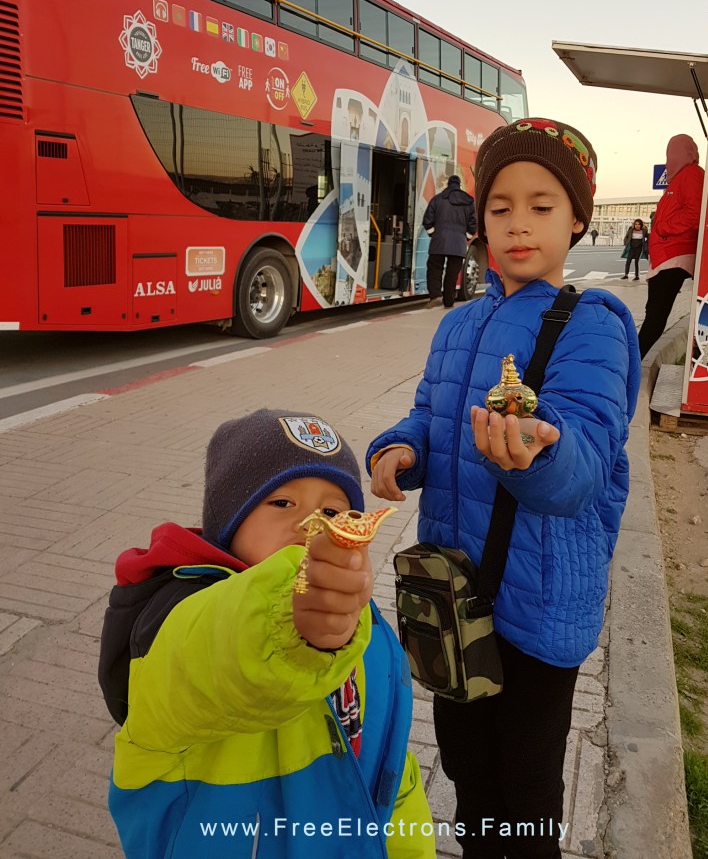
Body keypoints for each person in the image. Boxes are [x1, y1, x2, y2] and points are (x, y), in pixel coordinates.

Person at [367, 119, 641, 859]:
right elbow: (430, 414)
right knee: (465, 767)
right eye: (501, 207)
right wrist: (400, 448)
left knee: (525, 788)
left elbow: (585, 461)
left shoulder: (593, 326)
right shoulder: (456, 326)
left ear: (579, 218)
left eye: (542, 206)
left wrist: (539, 453)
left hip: (537, 610)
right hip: (456, 597)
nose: (519, 224)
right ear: (480, 216)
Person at [100, 409, 434, 859]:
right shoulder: (177, 617)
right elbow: (212, 648)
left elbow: (390, 767)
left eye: (332, 509)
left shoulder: (364, 623)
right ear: (229, 526)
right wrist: (291, 620)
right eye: (281, 503)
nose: (310, 525)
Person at [638, 134, 705, 358]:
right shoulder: (679, 178)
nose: (668, 160)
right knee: (654, 315)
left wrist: (663, 227)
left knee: (655, 318)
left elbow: (693, 214)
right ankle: (632, 362)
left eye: (671, 154)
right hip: (667, 255)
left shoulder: (692, 175)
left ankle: (631, 366)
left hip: (674, 255)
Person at [422, 173, 477, 308]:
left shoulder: (437, 199)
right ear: (459, 186)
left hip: (439, 240)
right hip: (458, 243)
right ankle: (448, 301)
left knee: (435, 269)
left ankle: (435, 296)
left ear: (448, 185)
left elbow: (427, 221)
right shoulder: (469, 202)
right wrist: (466, 238)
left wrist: (433, 234)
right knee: (452, 273)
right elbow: (473, 225)